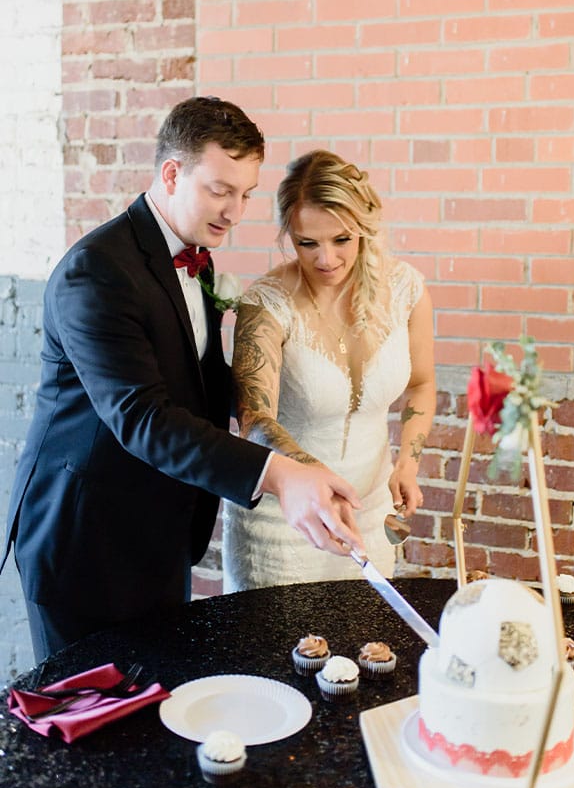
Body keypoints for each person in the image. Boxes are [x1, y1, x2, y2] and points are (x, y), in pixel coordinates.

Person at [1, 99, 364, 662]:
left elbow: (198, 380)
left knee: (157, 707)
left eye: (245, 194)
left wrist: (285, 419)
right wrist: (277, 475)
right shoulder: (95, 272)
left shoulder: (199, 257)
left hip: (161, 534)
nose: (236, 211)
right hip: (86, 545)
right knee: (91, 730)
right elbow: (143, 417)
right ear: (171, 173)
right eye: (221, 190)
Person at [222, 150, 436, 591]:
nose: (326, 260)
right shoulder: (265, 304)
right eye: (307, 243)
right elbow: (254, 418)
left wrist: (408, 465)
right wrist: (312, 480)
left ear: (364, 226)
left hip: (370, 514)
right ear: (289, 236)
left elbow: (421, 385)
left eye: (342, 239)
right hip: (283, 522)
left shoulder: (407, 290)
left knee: (368, 650)